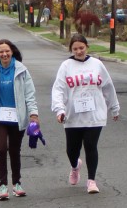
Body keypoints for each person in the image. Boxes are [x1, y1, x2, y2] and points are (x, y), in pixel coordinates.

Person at [51, 32, 120, 194]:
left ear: (87, 47)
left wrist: (114, 107)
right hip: (73, 115)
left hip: (94, 114)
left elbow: (108, 86)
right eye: (75, 49)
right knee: (71, 150)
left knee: (90, 146)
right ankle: (75, 166)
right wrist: (59, 109)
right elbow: (58, 89)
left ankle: (91, 181)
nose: (79, 51)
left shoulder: (97, 64)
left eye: (81, 48)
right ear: (71, 50)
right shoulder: (66, 66)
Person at [0, 38, 40, 201]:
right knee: (1, 149)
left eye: (7, 51)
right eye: (1, 52)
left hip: (17, 118)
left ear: (12, 52)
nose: (4, 54)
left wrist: (33, 114)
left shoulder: (21, 70)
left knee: (14, 150)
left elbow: (30, 94)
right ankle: (3, 185)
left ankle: (17, 183)